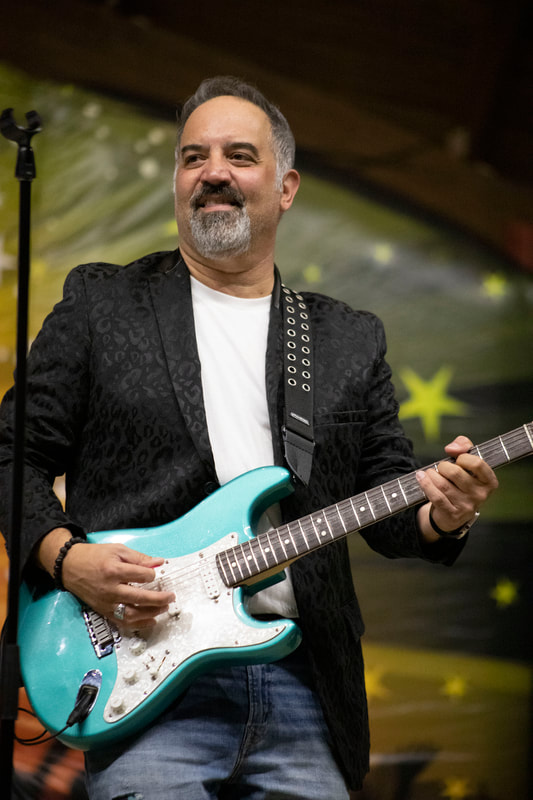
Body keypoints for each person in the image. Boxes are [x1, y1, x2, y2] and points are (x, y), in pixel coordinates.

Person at [0, 76, 498, 799]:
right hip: (144, 680)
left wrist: (444, 513)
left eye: (239, 155)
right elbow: (12, 453)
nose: (213, 172)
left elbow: (390, 508)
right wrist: (66, 558)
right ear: (177, 182)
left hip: (304, 689)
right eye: (193, 157)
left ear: (285, 187)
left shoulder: (345, 338)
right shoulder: (102, 303)